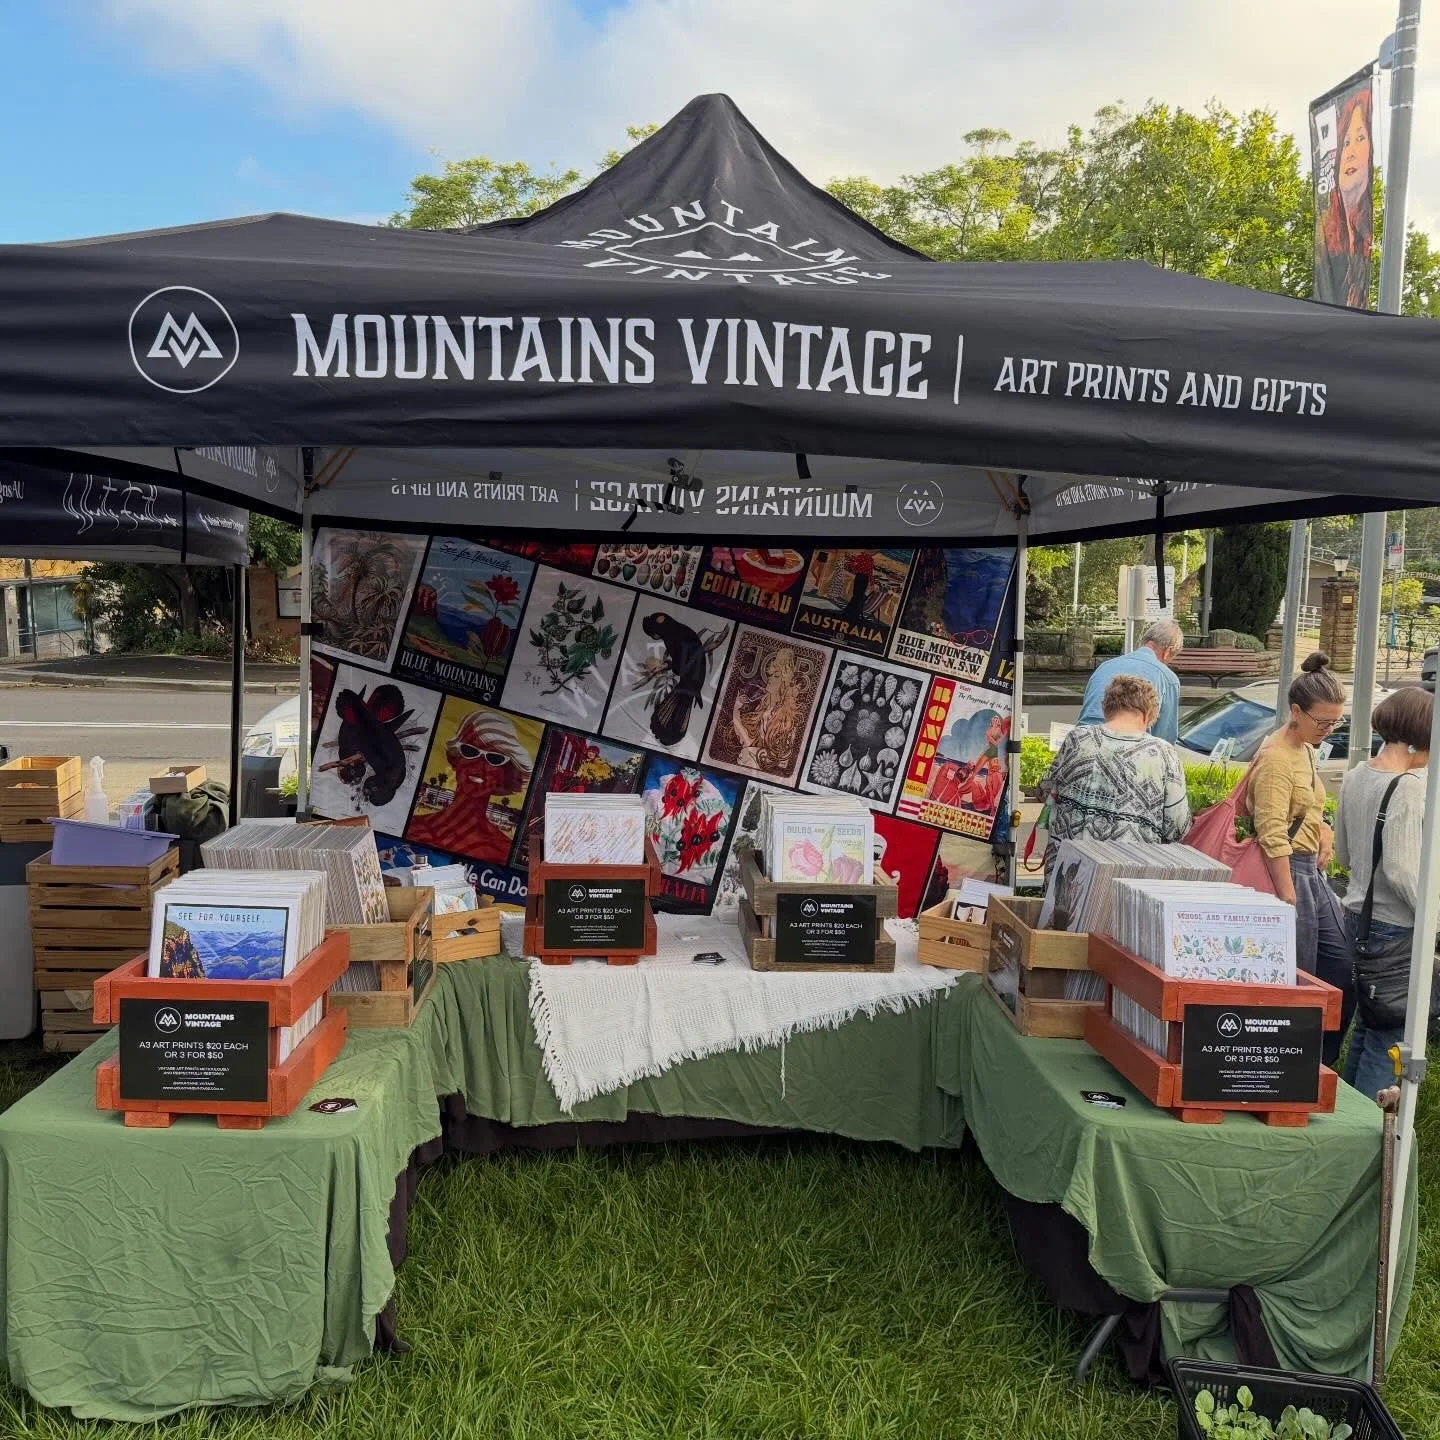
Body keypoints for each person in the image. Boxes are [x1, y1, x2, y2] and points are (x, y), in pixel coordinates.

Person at [1246, 652, 1355, 1063]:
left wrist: (1323, 829)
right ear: (1296, 711)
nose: (1328, 730)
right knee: (1302, 977)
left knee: (1339, 969)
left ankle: (1319, 1064)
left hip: (1310, 871)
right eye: (1322, 721)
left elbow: (1307, 805)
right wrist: (1288, 898)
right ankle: (1296, 1066)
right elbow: (1271, 833)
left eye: (1335, 722)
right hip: (1289, 874)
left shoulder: (1305, 748)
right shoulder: (1276, 756)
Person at [1334, 687, 1432, 1102]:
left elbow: (1342, 852)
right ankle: (1372, 1130)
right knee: (1390, 1034)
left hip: (1358, 917)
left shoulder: (1356, 774)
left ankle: (1347, 1117)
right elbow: (1401, 869)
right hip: (1396, 926)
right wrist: (1435, 920)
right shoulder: (1408, 787)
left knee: (1369, 1025)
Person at [1041, 674, 1190, 877]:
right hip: (1128, 876)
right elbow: (1177, 827)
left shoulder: (1077, 739)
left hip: (1066, 872)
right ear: (1148, 715)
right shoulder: (1163, 753)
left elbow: (1045, 788)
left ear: (1105, 708)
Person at [1077, 619, 1183, 744]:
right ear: (1168, 651)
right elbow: (1164, 738)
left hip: (1083, 741)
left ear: (1144, 642)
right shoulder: (1167, 678)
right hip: (1129, 747)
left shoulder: (1105, 666)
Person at [1315, 86, 1374, 310]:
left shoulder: (1370, 236)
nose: (1349, 152)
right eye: (1345, 142)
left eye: (1360, 137)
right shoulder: (1329, 236)